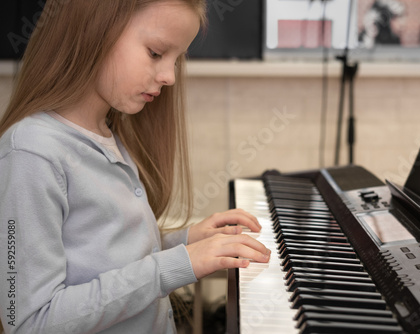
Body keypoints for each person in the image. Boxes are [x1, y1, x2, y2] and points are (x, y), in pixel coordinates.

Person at [0, 0, 270, 333]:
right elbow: (27, 322)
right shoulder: (31, 152)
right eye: (156, 53)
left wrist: (186, 243)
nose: (170, 77)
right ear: (93, 29)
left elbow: (106, 262)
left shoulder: (110, 133)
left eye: (177, 60)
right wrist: (176, 265)